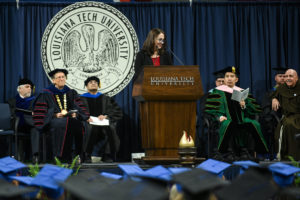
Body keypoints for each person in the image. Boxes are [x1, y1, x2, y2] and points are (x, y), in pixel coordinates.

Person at [205, 66, 268, 161]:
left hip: (241, 118)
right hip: (226, 119)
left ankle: (247, 151)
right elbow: (212, 109)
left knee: (254, 123)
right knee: (229, 124)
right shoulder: (217, 91)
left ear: (236, 79)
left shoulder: (241, 91)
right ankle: (228, 152)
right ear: (224, 79)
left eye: (232, 76)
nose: (229, 78)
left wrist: (244, 105)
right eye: (227, 76)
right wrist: (219, 116)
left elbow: (254, 110)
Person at [33, 69, 89, 162]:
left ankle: (77, 155)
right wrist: (54, 115)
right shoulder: (46, 94)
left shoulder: (71, 93)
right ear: (53, 80)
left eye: (63, 77)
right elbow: (40, 112)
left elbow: (80, 108)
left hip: (70, 119)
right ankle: (60, 156)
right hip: (53, 120)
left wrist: (76, 114)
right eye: (59, 77)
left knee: (79, 124)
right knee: (64, 123)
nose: (61, 79)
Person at [80, 76, 123, 162]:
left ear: (98, 85)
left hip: (102, 122)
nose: (93, 83)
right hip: (88, 122)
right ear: (86, 86)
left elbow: (117, 112)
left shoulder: (105, 98)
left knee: (110, 128)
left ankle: (107, 155)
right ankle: (87, 155)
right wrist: (86, 118)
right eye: (90, 82)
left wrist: (106, 116)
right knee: (90, 128)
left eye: (95, 82)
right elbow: (77, 112)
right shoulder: (80, 99)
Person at [7, 78, 40, 163]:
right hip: (17, 125)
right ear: (20, 89)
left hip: (31, 124)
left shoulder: (34, 100)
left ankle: (35, 156)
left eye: (30, 87)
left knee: (35, 128)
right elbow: (10, 114)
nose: (30, 88)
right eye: (27, 86)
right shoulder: (12, 101)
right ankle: (18, 156)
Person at [272, 69, 300, 161]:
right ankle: (287, 157)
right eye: (286, 76)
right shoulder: (281, 88)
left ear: (296, 78)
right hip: (287, 117)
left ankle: (295, 157)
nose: (288, 78)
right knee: (286, 126)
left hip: (298, 116)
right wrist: (274, 99)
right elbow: (274, 95)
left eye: (291, 76)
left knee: (291, 125)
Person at [260, 67, 286, 160]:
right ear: (275, 78)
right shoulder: (269, 93)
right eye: (280, 76)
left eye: (284, 76)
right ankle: (270, 154)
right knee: (267, 122)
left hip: (286, 116)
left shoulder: (290, 91)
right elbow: (265, 107)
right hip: (273, 118)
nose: (283, 78)